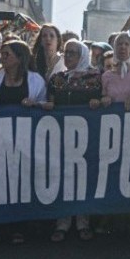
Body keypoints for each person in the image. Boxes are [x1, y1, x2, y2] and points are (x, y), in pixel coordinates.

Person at [0, 38, 46, 246]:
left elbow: (46, 104)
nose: (2, 58)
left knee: (21, 185)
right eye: (2, 54)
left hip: (25, 142)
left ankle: (18, 228)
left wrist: (35, 104)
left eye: (7, 54)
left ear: (19, 58)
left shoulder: (35, 79)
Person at [45, 39, 102, 242]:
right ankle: (63, 220)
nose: (67, 56)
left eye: (73, 53)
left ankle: (82, 220)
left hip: (86, 138)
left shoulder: (96, 78)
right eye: (66, 52)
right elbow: (50, 102)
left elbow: (103, 100)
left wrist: (98, 102)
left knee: (83, 177)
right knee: (63, 177)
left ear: (83, 55)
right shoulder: (56, 79)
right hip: (61, 138)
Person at [100, 32, 130, 111]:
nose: (123, 47)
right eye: (119, 44)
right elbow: (102, 97)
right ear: (115, 48)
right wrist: (105, 99)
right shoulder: (106, 76)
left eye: (127, 44)